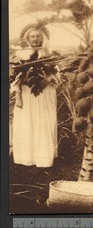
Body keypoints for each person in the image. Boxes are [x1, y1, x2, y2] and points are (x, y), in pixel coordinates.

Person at [10, 24, 59, 168]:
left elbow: (56, 73)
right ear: (28, 38)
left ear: (42, 37)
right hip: (27, 95)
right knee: (26, 124)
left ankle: (43, 159)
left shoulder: (48, 53)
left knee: (44, 123)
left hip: (45, 94)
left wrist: (48, 79)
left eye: (38, 36)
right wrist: (18, 95)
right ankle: (26, 159)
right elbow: (15, 76)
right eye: (32, 36)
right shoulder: (22, 55)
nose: (35, 39)